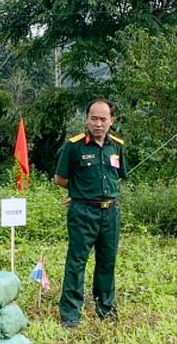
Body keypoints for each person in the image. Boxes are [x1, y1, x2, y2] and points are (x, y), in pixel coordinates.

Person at [53, 98, 126, 329]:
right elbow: (60, 178)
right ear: (87, 119)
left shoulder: (117, 146)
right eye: (94, 118)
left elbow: (118, 176)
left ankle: (105, 307)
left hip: (110, 212)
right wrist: (78, 193)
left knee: (107, 261)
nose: (98, 123)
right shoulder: (74, 146)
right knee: (77, 261)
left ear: (111, 121)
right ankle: (70, 313)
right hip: (83, 212)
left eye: (103, 119)